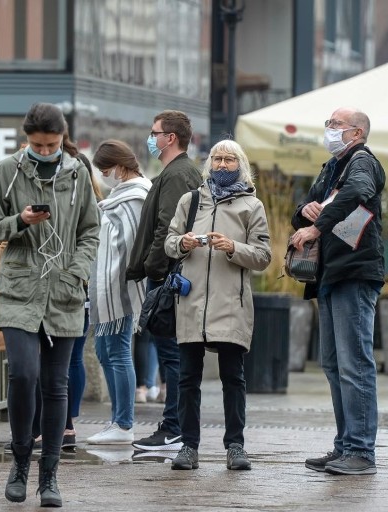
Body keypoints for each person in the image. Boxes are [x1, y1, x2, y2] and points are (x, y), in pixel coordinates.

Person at [0, 102, 99, 506]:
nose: (45, 151)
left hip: (64, 290)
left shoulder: (77, 173)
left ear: (62, 139)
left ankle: (49, 476)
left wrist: (77, 272)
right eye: (38, 145)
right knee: (23, 374)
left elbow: (90, 231)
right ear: (26, 140)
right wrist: (20, 221)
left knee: (56, 385)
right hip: (18, 290)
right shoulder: (8, 171)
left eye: (52, 145)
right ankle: (19, 462)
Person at [164, 139, 272, 471]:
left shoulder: (251, 206)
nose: (222, 164)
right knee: (187, 378)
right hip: (191, 301)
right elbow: (169, 243)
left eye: (229, 159)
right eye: (217, 159)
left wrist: (233, 247)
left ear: (241, 164)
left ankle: (235, 446)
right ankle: (188, 446)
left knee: (233, 377)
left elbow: (263, 255)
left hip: (231, 304)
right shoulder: (191, 200)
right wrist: (181, 242)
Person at [290, 107, 386, 476]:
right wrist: (306, 212)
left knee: (353, 363)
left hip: (353, 273)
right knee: (333, 364)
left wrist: (317, 227)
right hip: (331, 274)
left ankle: (361, 452)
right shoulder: (332, 166)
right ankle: (345, 446)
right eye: (328, 124)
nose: (328, 130)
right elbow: (304, 209)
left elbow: (359, 193)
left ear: (357, 132)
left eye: (335, 125)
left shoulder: (361, 161)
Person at [126, 110, 202, 451]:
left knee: (172, 355)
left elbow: (167, 227)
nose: (151, 138)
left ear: (170, 137)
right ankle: (173, 426)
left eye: (155, 132)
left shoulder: (177, 174)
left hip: (168, 276)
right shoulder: (176, 172)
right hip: (168, 274)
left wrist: (154, 267)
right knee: (173, 354)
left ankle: (173, 428)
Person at [84, 139, 152, 445]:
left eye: (105, 169)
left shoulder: (136, 194)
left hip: (123, 284)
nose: (103, 175)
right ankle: (117, 421)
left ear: (119, 166)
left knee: (119, 350)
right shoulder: (120, 194)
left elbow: (129, 240)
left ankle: (123, 423)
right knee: (105, 350)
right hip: (108, 284)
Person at [63, 153, 104, 448]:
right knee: (74, 357)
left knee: (61, 360)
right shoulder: (99, 203)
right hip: (87, 289)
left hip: (73, 288)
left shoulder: (73, 205)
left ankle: (61, 422)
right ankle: (68, 424)